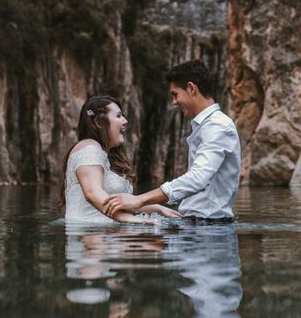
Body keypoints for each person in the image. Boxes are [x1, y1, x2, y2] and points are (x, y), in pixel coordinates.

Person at [103, 60, 241, 223]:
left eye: (175, 94)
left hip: (208, 231)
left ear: (191, 88)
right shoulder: (206, 125)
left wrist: (140, 199)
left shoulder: (217, 125)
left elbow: (198, 178)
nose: (173, 102)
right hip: (199, 226)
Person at [60, 95, 180, 224]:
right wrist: (129, 219)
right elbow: (92, 193)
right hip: (89, 236)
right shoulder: (90, 147)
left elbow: (118, 203)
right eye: (118, 116)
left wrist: (157, 208)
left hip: (106, 236)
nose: (125, 121)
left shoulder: (102, 154)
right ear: (98, 123)